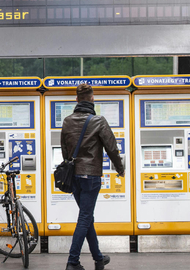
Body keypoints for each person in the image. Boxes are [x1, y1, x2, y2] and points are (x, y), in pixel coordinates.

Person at [61, 84, 123, 270]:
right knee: (85, 217)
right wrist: (120, 168)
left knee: (87, 217)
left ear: (77, 100)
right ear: (92, 99)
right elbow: (111, 148)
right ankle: (73, 261)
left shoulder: (67, 121)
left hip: (74, 176)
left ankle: (98, 258)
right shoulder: (99, 121)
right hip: (91, 176)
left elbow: (65, 150)